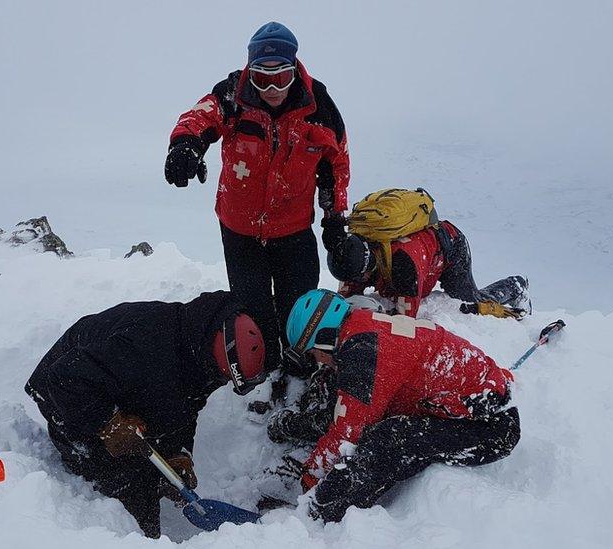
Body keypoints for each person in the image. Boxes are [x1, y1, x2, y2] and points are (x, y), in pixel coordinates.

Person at [165, 21, 350, 371]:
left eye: (280, 78)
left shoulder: (319, 107)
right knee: (253, 310)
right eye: (261, 79)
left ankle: (300, 369)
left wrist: (335, 221)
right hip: (240, 231)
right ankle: (261, 373)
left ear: (294, 70)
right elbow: (199, 117)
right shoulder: (234, 94)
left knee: (298, 310)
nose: (271, 89)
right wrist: (185, 145)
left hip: (294, 230)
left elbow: (336, 165)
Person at [24, 291, 265, 538]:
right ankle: (131, 536)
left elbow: (184, 406)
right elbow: (63, 377)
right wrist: (108, 424)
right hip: (64, 392)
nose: (223, 382)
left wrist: (177, 453)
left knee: (147, 457)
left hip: (111, 380)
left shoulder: (200, 352)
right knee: (126, 477)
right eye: (225, 377)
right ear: (219, 357)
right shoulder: (146, 347)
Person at [274, 289, 520, 522]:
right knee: (371, 424)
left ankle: (322, 513)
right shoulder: (360, 329)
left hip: (492, 429)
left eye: (313, 353)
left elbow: (348, 434)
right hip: (465, 404)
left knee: (387, 439)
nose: (317, 360)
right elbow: (344, 410)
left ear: (325, 338)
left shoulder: (363, 351)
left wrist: (310, 478)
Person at [328, 217, 530, 318]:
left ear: (367, 268)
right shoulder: (352, 256)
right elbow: (344, 300)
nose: (353, 283)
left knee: (470, 302)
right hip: (422, 248)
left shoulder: (403, 266)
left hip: (450, 247)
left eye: (357, 279)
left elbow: (404, 320)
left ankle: (515, 286)